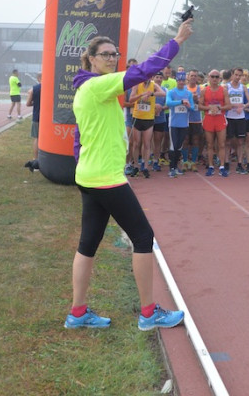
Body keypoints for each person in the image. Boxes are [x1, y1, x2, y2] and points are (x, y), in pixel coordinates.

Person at [66, 19, 192, 330]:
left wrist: (82, 162)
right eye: (106, 54)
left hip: (89, 176)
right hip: (106, 178)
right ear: (91, 59)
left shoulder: (86, 88)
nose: (112, 58)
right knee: (143, 237)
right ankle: (149, 314)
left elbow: (79, 135)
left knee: (88, 243)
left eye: (115, 54)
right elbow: (143, 71)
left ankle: (77, 313)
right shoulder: (98, 84)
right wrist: (176, 41)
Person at [24, 73, 42, 171]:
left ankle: (35, 159)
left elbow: (28, 103)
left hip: (37, 117)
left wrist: (35, 102)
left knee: (37, 138)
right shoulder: (51, 87)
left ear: (39, 78)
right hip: (48, 118)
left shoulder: (34, 89)